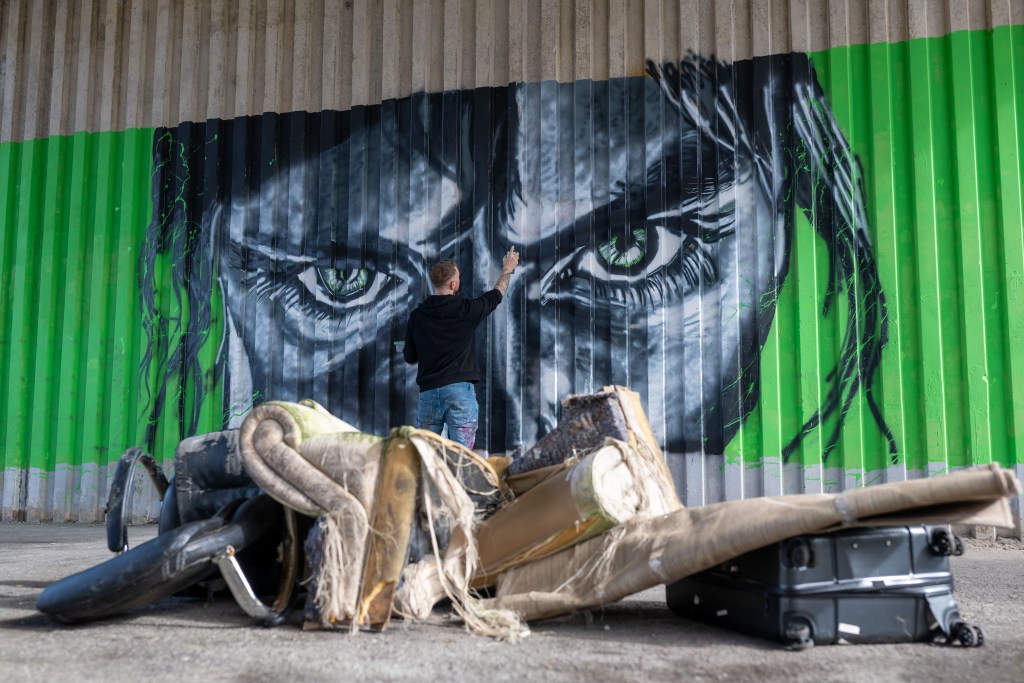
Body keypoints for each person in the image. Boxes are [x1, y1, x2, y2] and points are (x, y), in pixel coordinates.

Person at [138, 51, 896, 472]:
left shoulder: (443, 316)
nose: (522, 411)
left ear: (792, 244)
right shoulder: (468, 306)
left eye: (628, 252)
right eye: (341, 280)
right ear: (214, 291)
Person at [402, 250, 520, 448]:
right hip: (460, 394)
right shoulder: (467, 309)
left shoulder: (417, 316)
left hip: (429, 394)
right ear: (453, 284)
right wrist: (507, 269)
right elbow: (496, 294)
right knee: (462, 458)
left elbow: (410, 357)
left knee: (426, 456)